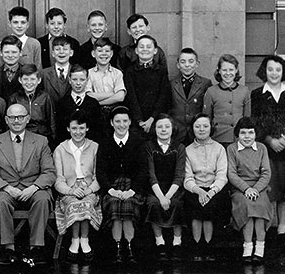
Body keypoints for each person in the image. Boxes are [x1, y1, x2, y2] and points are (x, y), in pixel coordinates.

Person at [0, 104, 56, 266]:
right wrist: (8, 188)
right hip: (7, 188)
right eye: (12, 117)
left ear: (28, 118)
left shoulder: (41, 141)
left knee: (43, 199)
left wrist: (34, 188)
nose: (17, 121)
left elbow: (49, 172)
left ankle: (36, 248)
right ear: (6, 120)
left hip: (34, 187)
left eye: (21, 117)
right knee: (0, 201)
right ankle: (8, 248)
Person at [250, 55, 285, 247]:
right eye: (270, 69)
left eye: (278, 69)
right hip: (266, 148)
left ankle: (282, 230)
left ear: (283, 71)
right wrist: (270, 140)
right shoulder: (257, 94)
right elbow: (255, 121)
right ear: (264, 71)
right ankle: (266, 229)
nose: (274, 73)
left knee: (284, 192)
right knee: (268, 189)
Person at [95, 106, 147, 264]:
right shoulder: (105, 143)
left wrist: (132, 190)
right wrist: (111, 190)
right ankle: (117, 246)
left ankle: (129, 246)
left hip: (133, 185)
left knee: (129, 204)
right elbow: (101, 172)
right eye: (117, 121)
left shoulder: (138, 141)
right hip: (112, 185)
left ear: (130, 122)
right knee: (114, 203)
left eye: (125, 121)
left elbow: (143, 170)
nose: (121, 124)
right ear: (111, 123)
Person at [53, 111, 101, 262]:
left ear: (87, 128)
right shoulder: (60, 149)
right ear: (68, 129)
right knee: (74, 203)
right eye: (74, 128)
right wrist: (71, 190)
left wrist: (89, 189)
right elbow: (58, 179)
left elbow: (98, 176)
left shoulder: (95, 147)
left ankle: (84, 240)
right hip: (68, 188)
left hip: (90, 187)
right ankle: (75, 240)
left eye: (81, 128)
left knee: (86, 203)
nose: (78, 132)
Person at [227, 117, 272, 264]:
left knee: (259, 206)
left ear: (255, 134)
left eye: (251, 133)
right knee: (246, 206)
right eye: (243, 133)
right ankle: (247, 246)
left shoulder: (262, 148)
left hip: (259, 188)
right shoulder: (232, 149)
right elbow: (231, 173)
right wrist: (246, 189)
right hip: (240, 188)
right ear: (237, 134)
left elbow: (266, 173)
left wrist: (256, 189)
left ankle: (260, 247)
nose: (247, 137)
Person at [183, 113, 228, 261]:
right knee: (195, 206)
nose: (201, 129)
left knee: (210, 207)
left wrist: (211, 192)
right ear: (192, 129)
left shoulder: (219, 149)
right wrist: (199, 190)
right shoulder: (187, 150)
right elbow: (187, 178)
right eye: (197, 126)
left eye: (205, 126)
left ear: (211, 128)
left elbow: (222, 176)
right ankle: (197, 245)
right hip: (195, 188)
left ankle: (208, 245)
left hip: (214, 189)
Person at [145, 114, 186, 261]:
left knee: (177, 204)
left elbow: (179, 174)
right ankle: (160, 242)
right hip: (155, 187)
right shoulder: (149, 146)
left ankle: (177, 241)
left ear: (172, 128)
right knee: (153, 204)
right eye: (160, 127)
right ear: (154, 129)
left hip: (173, 187)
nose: (163, 130)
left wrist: (167, 196)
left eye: (167, 126)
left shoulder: (179, 147)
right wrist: (161, 197)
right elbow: (151, 174)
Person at [123, 34, 171, 140]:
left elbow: (163, 95)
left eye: (149, 47)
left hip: (155, 120)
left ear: (155, 51)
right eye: (141, 47)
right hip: (136, 122)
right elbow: (131, 96)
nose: (145, 49)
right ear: (136, 50)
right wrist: (139, 120)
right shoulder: (130, 71)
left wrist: (152, 118)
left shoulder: (161, 71)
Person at [203, 54, 251, 148]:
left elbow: (247, 118)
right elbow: (206, 118)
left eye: (231, 70)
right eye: (224, 70)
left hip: (238, 140)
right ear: (219, 71)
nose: (228, 73)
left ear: (236, 70)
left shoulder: (244, 91)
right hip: (217, 140)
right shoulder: (211, 91)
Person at [169, 48, 212, 145]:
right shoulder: (171, 84)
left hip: (197, 132)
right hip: (177, 132)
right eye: (183, 62)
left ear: (197, 64)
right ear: (178, 65)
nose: (187, 65)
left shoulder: (205, 83)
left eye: (191, 61)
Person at [9, 63, 56, 144]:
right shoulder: (14, 98)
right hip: (21, 137)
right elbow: (10, 122)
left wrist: (52, 141)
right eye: (26, 79)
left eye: (32, 79)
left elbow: (52, 121)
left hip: (42, 137)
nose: (29, 82)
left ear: (39, 80)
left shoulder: (45, 97)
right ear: (20, 80)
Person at [55, 64, 103, 144]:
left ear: (87, 80)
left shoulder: (93, 103)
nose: (78, 83)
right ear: (69, 80)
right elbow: (60, 130)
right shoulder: (62, 103)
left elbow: (98, 130)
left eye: (82, 79)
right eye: (74, 79)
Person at [85, 37, 126, 125]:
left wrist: (98, 102)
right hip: (95, 113)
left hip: (115, 112)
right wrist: (113, 93)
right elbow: (89, 96)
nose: (104, 54)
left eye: (107, 51)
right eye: (100, 51)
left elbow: (120, 97)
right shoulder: (88, 73)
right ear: (93, 54)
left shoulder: (117, 73)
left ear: (111, 54)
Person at [40, 36, 73, 105]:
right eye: (57, 49)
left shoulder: (77, 72)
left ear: (71, 53)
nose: (61, 52)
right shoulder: (44, 74)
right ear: (53, 53)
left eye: (65, 49)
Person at [0, 35, 23, 102]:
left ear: (20, 53)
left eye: (14, 52)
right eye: (6, 52)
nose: (10, 55)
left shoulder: (26, 73)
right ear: (1, 53)